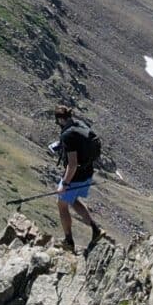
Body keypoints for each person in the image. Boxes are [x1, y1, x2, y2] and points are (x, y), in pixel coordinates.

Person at [50, 105, 104, 252]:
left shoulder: (67, 135)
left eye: (57, 121)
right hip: (88, 171)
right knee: (72, 199)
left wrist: (64, 184)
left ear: (61, 119)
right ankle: (95, 230)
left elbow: (72, 164)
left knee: (61, 204)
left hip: (75, 176)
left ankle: (69, 241)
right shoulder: (80, 125)